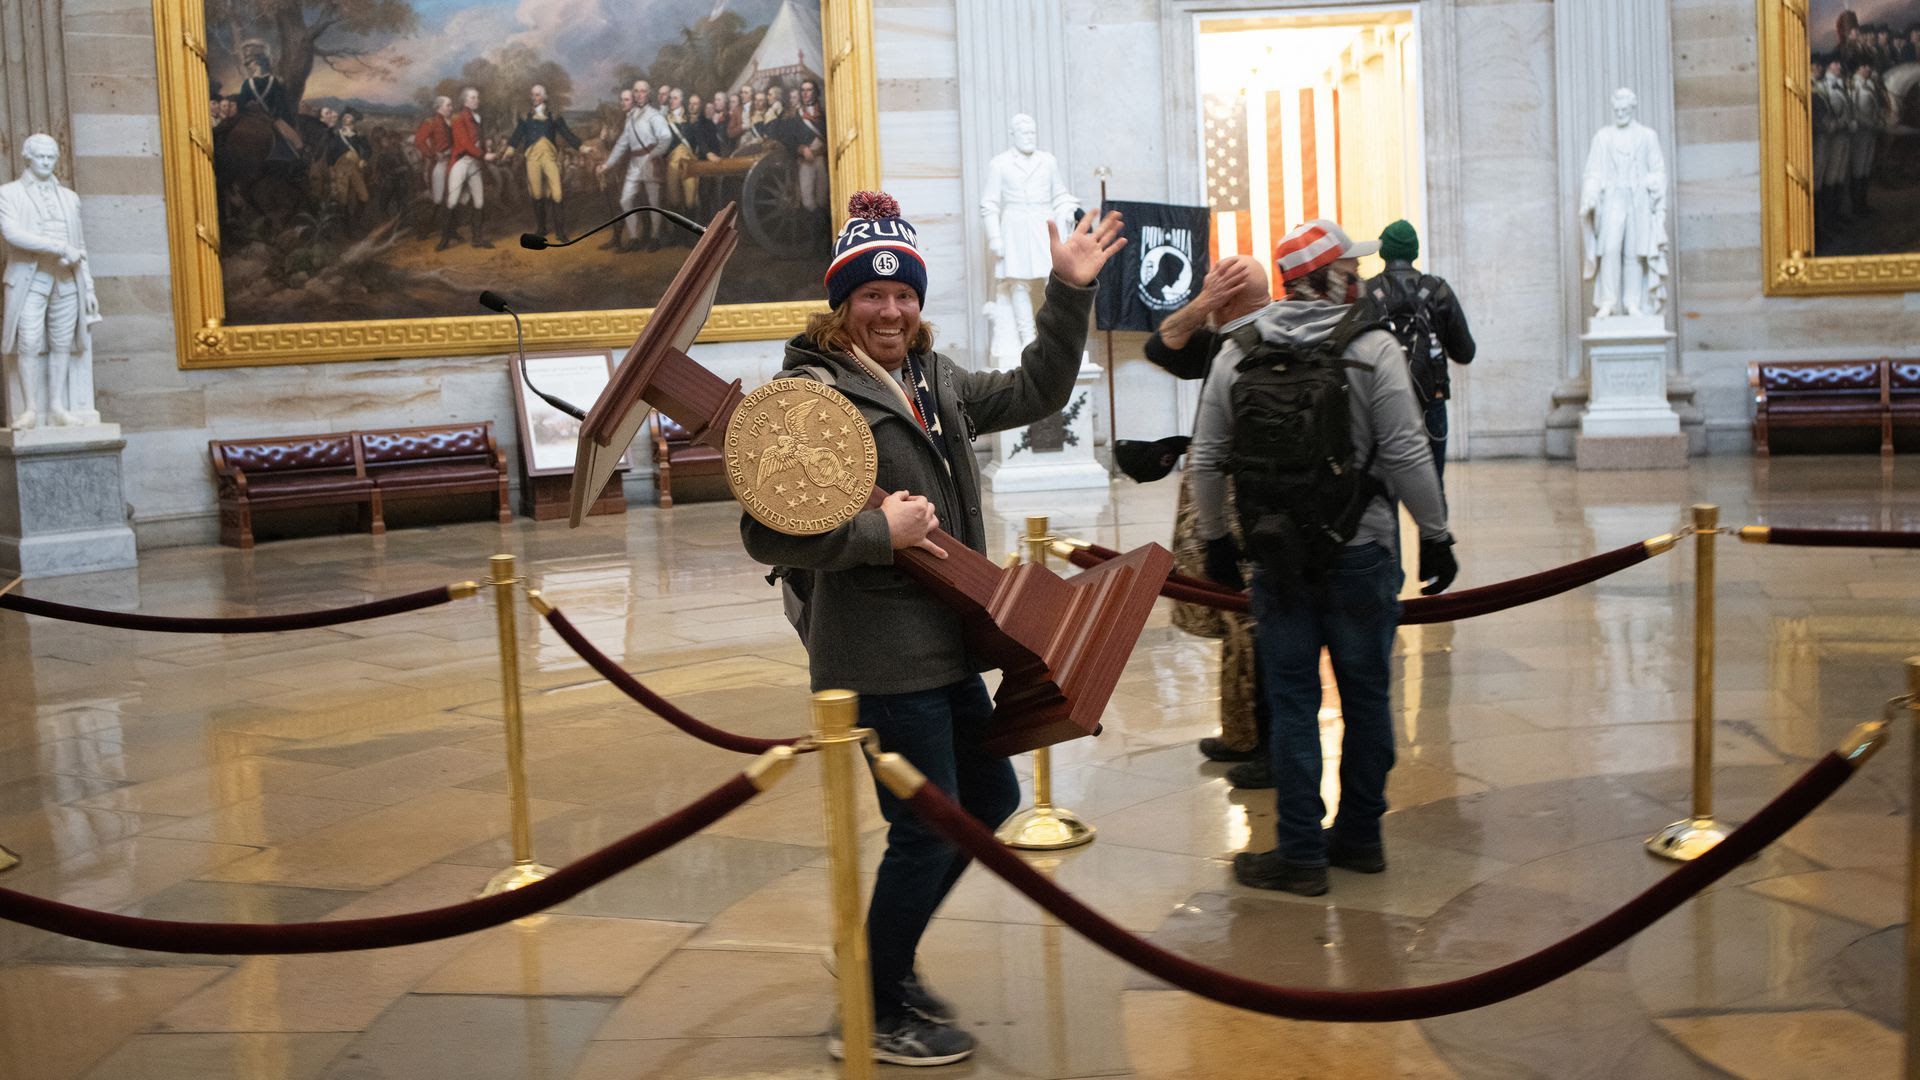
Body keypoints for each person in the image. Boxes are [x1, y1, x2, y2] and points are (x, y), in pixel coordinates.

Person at [739, 191, 1124, 1067]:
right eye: (870, 296)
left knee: (987, 802)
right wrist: (881, 532)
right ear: (842, 305)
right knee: (929, 824)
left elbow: (1037, 388)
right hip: (877, 654)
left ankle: (884, 959)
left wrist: (1066, 292)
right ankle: (871, 1007)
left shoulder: (934, 379)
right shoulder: (808, 396)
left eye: (903, 293)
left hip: (949, 641)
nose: (890, 309)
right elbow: (766, 532)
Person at [1188, 219, 1455, 897]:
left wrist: (1218, 541)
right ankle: (1361, 836)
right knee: (1367, 698)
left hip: (1277, 556)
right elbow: (1405, 450)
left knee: (1294, 697)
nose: (1360, 278)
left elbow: (1208, 458)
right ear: (1334, 277)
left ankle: (1300, 852)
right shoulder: (1372, 346)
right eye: (1352, 269)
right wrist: (1437, 533)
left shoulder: (1237, 348)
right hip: (1361, 550)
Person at [1143, 254, 1278, 786]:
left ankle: (1267, 746)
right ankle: (1243, 733)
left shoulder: (1262, 339)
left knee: (1253, 624)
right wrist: (1205, 304)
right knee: (1235, 621)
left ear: (1227, 300)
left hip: (1250, 505)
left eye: (1210, 293)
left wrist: (1207, 303)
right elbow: (1163, 345)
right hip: (1227, 499)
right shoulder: (1225, 340)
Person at [1362, 219, 1476, 490]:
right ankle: (1434, 534)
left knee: (1383, 497)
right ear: (1414, 251)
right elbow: (1465, 352)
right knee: (1432, 492)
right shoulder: (1438, 291)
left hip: (1381, 406)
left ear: (1383, 252)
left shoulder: (1365, 293)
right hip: (1430, 403)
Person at [1, 134, 102, 430]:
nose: (46, 162)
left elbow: (80, 246)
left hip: (66, 281)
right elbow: (12, 234)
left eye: (51, 157)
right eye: (40, 157)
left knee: (62, 343)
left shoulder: (69, 198)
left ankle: (57, 405)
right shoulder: (9, 194)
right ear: (27, 158)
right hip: (29, 280)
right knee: (29, 342)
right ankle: (31, 409)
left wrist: (90, 288)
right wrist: (58, 247)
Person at [979, 113, 1080, 364]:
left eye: (1032, 133)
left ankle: (1053, 333)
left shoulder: (1048, 161)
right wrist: (995, 238)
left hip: (1043, 223)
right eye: (1024, 133)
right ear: (1013, 135)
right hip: (1014, 225)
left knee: (1053, 280)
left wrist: (1069, 208)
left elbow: (1060, 195)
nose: (1029, 137)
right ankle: (1026, 336)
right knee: (1018, 283)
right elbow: (989, 205)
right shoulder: (1000, 164)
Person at [1578, 88, 1668, 318]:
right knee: (1609, 249)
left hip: (1637, 200)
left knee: (1634, 253)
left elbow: (1658, 170)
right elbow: (1593, 172)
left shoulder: (1647, 136)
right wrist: (1590, 194)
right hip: (1612, 199)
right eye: (1617, 110)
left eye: (1624, 109)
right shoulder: (1603, 137)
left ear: (1632, 108)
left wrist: (1648, 182)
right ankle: (1609, 301)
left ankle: (1632, 303)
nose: (1620, 113)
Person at [597, 79, 672, 252]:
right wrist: (607, 164)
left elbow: (666, 139)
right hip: (634, 163)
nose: (639, 94)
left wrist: (652, 155)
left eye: (642, 91)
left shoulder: (655, 115)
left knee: (653, 202)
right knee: (626, 200)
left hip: (650, 161)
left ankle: (654, 237)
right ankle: (634, 238)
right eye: (636, 91)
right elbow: (622, 144)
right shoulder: (630, 117)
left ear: (648, 93)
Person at [507, 83, 583, 243]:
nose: (534, 98)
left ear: (544, 97)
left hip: (549, 157)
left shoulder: (554, 116)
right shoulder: (525, 117)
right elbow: (517, 135)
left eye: (537, 95)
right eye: (532, 95)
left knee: (557, 193)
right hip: (532, 158)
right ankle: (542, 228)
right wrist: (510, 148)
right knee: (536, 192)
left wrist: (581, 146)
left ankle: (560, 232)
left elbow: (567, 134)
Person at [439, 87, 496, 251]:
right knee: (452, 200)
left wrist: (485, 152)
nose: (477, 100)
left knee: (479, 200)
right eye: (473, 98)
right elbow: (464, 143)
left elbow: (479, 140)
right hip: (461, 162)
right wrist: (483, 155)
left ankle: (477, 239)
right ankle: (445, 239)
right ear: (465, 101)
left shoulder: (478, 118)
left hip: (474, 163)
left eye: (477, 97)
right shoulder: (458, 118)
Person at [324, 109, 372, 226]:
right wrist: (331, 167)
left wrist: (364, 159)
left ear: (353, 120)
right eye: (344, 117)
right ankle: (345, 225)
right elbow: (330, 152)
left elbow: (368, 149)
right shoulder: (337, 135)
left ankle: (356, 220)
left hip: (355, 168)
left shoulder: (358, 135)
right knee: (342, 199)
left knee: (364, 196)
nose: (345, 118)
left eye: (348, 117)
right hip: (341, 169)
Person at [413, 95, 455, 213]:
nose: (451, 108)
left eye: (451, 105)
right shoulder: (431, 122)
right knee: (438, 198)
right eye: (448, 105)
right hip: (440, 163)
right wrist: (433, 154)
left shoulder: (454, 122)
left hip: (453, 161)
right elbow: (419, 141)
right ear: (439, 107)